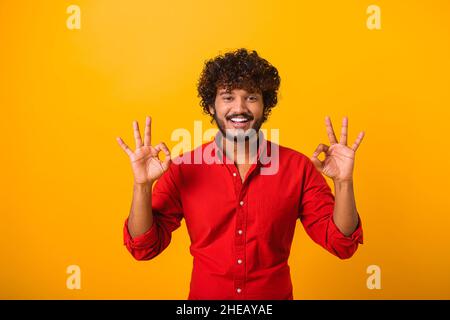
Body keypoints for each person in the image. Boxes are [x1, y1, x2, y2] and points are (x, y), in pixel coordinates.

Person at [116, 48, 365, 300]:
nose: (240, 108)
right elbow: (144, 248)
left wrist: (344, 183)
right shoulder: (183, 168)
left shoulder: (298, 168)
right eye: (227, 97)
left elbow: (341, 244)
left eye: (251, 97)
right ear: (211, 107)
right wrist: (142, 186)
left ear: (264, 104)